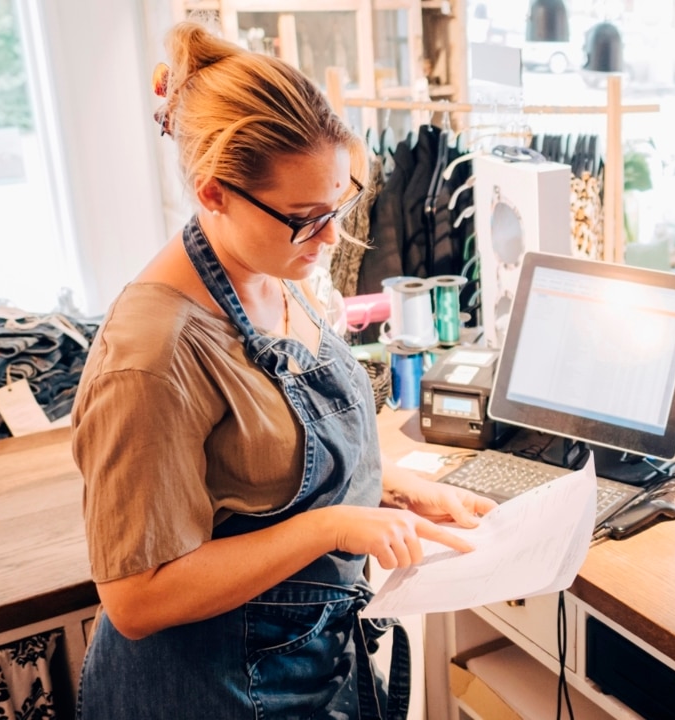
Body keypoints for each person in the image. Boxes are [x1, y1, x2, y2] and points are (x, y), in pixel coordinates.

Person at [70, 22, 496, 718]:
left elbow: (256, 460)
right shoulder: (152, 357)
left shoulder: (269, 269)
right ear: (214, 194)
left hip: (305, 667)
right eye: (305, 218)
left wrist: (385, 485)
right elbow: (136, 597)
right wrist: (330, 526)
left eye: (339, 206)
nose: (330, 239)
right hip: (210, 694)